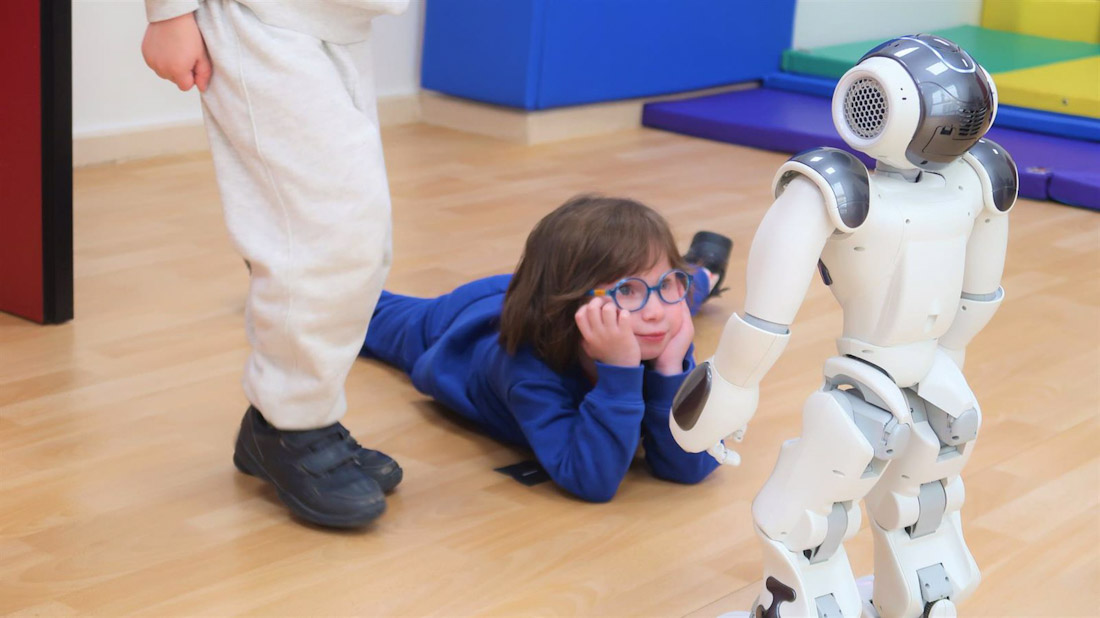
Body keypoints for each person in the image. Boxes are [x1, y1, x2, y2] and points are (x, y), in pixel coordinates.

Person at [141, 0, 409, 528]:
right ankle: (291, 425)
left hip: (342, 18)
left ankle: (289, 414)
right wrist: (167, 12)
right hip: (260, 17)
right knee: (321, 233)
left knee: (361, 235)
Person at [359, 195, 734, 502]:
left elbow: (689, 468)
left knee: (675, 304)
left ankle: (701, 274)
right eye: (625, 289)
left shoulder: (658, 330)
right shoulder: (526, 367)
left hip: (574, 305)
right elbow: (592, 480)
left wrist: (671, 373)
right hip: (459, 321)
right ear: (569, 304)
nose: (656, 312)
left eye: (670, 281)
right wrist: (620, 373)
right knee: (352, 312)